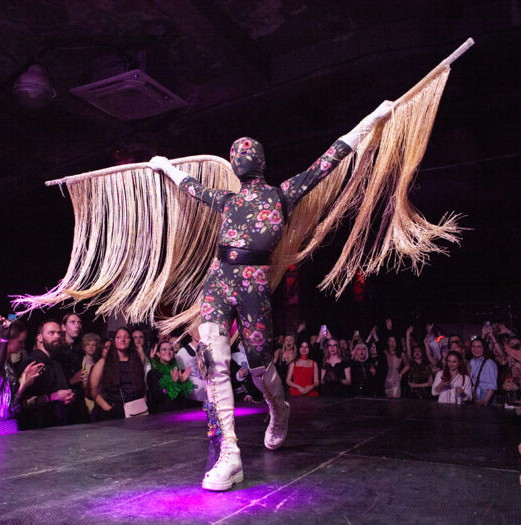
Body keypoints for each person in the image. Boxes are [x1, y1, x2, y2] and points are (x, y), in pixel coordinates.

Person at [149, 99, 394, 490]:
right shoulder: (226, 200)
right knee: (212, 356)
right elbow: (191, 187)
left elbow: (330, 157)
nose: (241, 157)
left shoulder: (283, 193)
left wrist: (371, 118)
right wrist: (164, 165)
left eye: (247, 152)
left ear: (260, 160)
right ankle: (229, 453)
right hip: (218, 276)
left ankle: (278, 408)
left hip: (254, 285)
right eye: (237, 153)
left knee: (261, 365)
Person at [0, 320, 42, 435]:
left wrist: (22, 379)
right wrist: (22, 387)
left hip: (11, 426)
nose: (23, 345)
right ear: (8, 341)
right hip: (3, 429)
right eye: (20, 342)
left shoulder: (7, 364)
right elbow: (3, 411)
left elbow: (8, 397)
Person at [18, 319, 74, 429]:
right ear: (40, 338)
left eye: (59, 333)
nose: (57, 336)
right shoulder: (32, 363)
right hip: (38, 429)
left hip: (57, 427)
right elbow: (23, 402)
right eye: (51, 333)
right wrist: (54, 396)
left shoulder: (56, 363)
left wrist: (69, 396)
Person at [88, 327, 146, 421]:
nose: (122, 340)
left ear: (130, 341)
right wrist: (109, 409)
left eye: (126, 337)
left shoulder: (136, 362)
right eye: (118, 337)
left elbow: (142, 386)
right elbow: (93, 391)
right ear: (114, 341)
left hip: (135, 411)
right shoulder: (105, 362)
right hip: (112, 411)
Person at [147, 341, 194, 413]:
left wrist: (182, 383)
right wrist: (172, 383)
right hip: (162, 415)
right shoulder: (153, 373)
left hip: (180, 413)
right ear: (158, 354)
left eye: (171, 349)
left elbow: (184, 396)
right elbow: (157, 397)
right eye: (164, 349)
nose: (168, 352)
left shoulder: (179, 372)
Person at [469, 337, 498, 406]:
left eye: (479, 347)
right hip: (475, 395)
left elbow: (492, 386)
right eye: (473, 346)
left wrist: (485, 400)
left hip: (486, 396)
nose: (476, 349)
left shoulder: (489, 363)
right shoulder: (472, 361)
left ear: (484, 348)